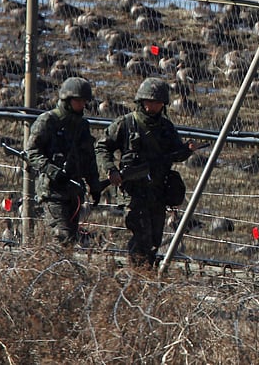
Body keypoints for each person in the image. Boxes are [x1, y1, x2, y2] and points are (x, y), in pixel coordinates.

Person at [95, 77, 201, 269]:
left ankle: (146, 275)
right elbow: (102, 147)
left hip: (158, 192)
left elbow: (175, 154)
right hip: (134, 192)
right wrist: (111, 170)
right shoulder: (126, 123)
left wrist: (187, 150)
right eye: (150, 101)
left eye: (158, 102)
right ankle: (138, 276)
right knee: (141, 237)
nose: (153, 106)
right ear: (141, 102)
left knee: (154, 240)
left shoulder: (166, 127)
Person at [26, 77, 102, 246]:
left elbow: (89, 159)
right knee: (62, 237)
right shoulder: (48, 121)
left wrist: (94, 185)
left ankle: (62, 270)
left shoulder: (82, 126)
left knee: (71, 240)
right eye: (79, 101)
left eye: (84, 101)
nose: (82, 105)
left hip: (74, 192)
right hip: (53, 191)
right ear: (67, 100)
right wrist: (52, 170)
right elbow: (31, 152)